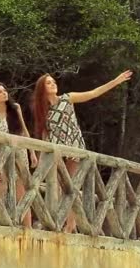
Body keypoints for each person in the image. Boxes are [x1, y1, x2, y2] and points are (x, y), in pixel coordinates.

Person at [31, 70, 133, 232]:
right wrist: (40, 156)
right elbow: (44, 133)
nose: (53, 84)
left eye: (54, 82)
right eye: (49, 83)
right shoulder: (42, 109)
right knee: (54, 184)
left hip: (73, 144)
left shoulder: (67, 98)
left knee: (71, 186)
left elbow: (93, 93)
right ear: (42, 88)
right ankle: (53, 220)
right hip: (55, 148)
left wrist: (116, 81)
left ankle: (70, 224)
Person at [0, 82, 38, 227]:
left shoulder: (15, 108)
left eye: (5, 90)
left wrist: (32, 152)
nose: (4, 93)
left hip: (20, 154)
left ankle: (27, 227)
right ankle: (3, 222)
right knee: (1, 188)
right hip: (2, 156)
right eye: (0, 92)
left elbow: (24, 131)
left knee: (22, 192)